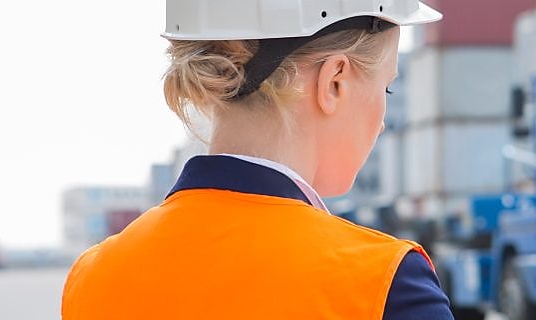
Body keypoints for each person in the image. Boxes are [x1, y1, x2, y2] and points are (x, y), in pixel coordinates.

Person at [61, 1, 451, 319]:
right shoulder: (384, 283)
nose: (382, 123)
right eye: (387, 88)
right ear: (334, 81)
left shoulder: (95, 275)